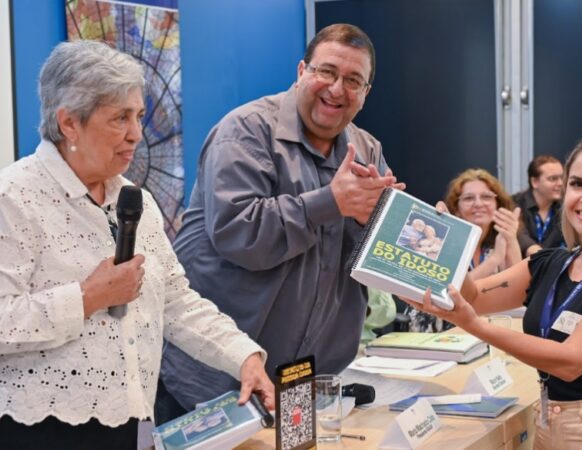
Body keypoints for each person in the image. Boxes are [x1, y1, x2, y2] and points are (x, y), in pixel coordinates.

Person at [0, 40, 273, 450]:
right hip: (33, 432)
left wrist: (242, 356)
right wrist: (87, 297)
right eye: (120, 118)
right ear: (69, 123)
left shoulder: (134, 200)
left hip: (127, 423)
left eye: (138, 116)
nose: (136, 134)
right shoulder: (10, 198)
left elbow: (175, 301)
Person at [156, 23, 403, 422]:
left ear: (366, 93)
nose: (337, 89)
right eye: (327, 72)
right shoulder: (245, 132)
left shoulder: (367, 150)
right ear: (302, 70)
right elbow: (239, 235)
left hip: (304, 385)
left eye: (353, 80)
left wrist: (399, 232)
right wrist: (330, 202)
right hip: (217, 384)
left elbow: (372, 264)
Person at [406, 131, 582, 449]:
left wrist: (474, 326)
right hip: (550, 428)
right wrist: (453, 245)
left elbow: (571, 361)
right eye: (577, 184)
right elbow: (473, 297)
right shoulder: (551, 263)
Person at [408, 169, 521, 332]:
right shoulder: (441, 242)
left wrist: (511, 238)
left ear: (498, 205)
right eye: (469, 198)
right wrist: (494, 261)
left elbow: (517, 290)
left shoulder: (495, 244)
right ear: (456, 209)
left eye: (486, 197)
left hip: (481, 332)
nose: (478, 203)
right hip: (435, 328)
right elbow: (447, 293)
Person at [513, 155, 565, 257]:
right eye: (553, 179)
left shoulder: (565, 206)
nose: (560, 183)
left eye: (562, 178)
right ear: (535, 182)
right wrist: (538, 254)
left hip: (554, 266)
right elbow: (519, 234)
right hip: (522, 266)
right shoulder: (515, 204)